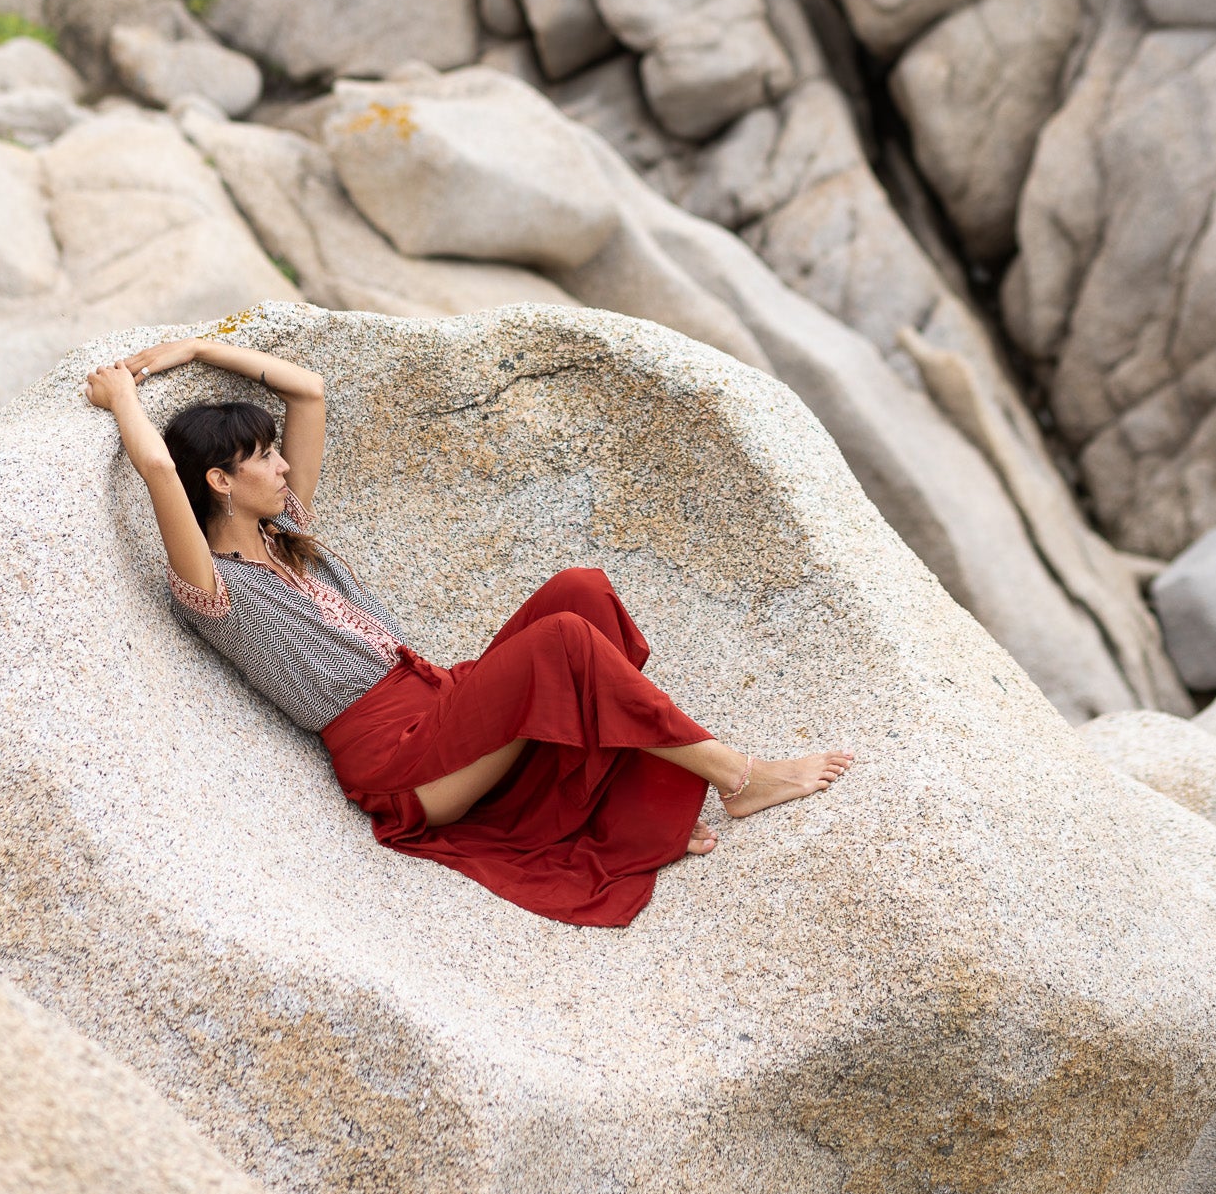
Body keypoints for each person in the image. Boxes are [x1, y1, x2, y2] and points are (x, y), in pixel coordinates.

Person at [86, 337, 854, 928]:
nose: (285, 466)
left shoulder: (288, 534)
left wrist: (196, 352)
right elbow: (159, 470)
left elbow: (307, 391)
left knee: (577, 594)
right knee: (560, 644)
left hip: (440, 704)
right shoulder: (213, 587)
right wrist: (125, 397)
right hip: (398, 761)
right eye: (263, 458)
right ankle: (737, 776)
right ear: (219, 481)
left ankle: (626, 803)